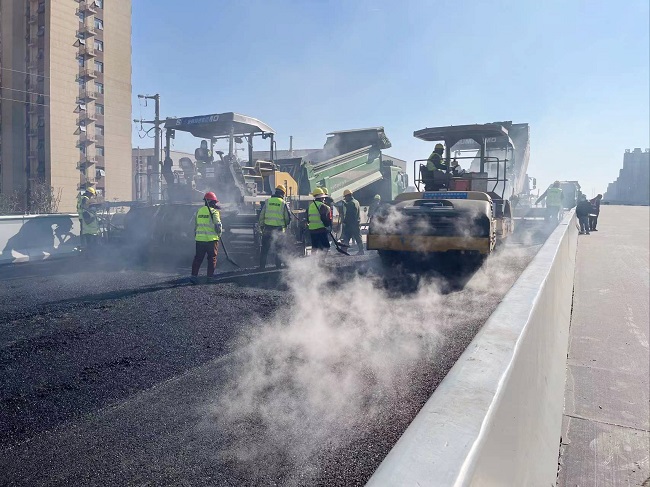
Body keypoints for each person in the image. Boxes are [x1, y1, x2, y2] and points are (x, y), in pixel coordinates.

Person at [191, 191, 222, 283]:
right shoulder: (214, 212)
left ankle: (193, 276)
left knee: (198, 258)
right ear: (212, 202)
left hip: (200, 240)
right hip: (211, 240)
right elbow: (218, 226)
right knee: (212, 259)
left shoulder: (199, 211)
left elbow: (195, 225)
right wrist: (219, 235)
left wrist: (196, 235)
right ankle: (210, 278)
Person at [258, 184, 292, 269]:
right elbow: (287, 218)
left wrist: (262, 226)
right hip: (279, 230)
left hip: (267, 228)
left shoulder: (268, 201)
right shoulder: (283, 203)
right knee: (279, 249)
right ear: (283, 193)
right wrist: (285, 225)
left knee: (264, 249)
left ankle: (262, 267)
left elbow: (261, 215)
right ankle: (278, 267)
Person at [340, 189, 364, 255]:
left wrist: (344, 221)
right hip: (356, 223)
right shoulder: (356, 202)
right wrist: (345, 204)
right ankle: (361, 250)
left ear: (348, 196)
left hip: (350, 224)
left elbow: (349, 214)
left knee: (346, 237)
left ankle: (344, 251)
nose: (345, 199)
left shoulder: (351, 203)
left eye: (345, 197)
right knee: (358, 237)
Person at [308, 187, 332, 253]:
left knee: (314, 247)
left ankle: (312, 259)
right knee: (326, 247)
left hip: (312, 230)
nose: (324, 199)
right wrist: (328, 226)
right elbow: (324, 218)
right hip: (321, 229)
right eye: (323, 198)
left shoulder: (310, 206)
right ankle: (322, 259)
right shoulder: (323, 206)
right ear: (321, 198)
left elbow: (307, 217)